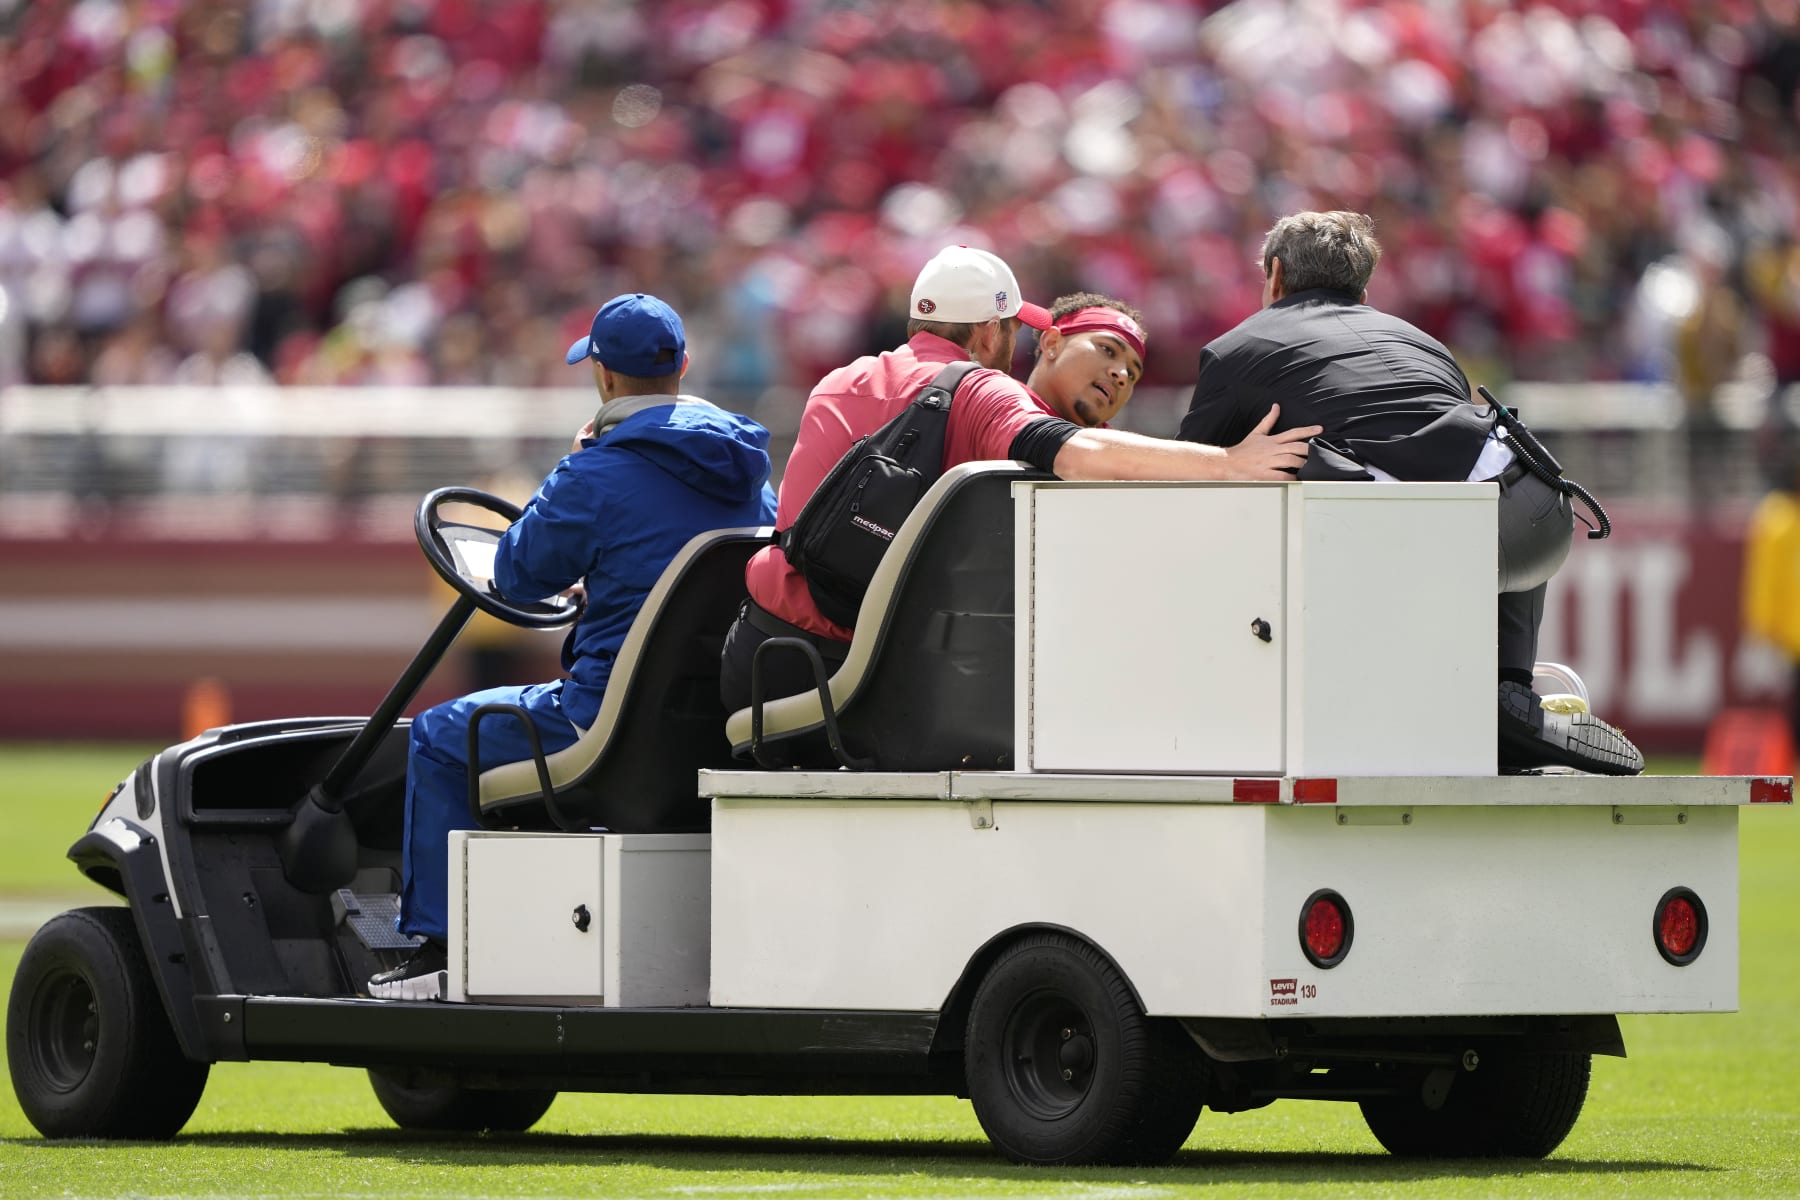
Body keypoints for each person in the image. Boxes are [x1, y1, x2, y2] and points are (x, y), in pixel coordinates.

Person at [371, 293, 779, 1000]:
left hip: (606, 723)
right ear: (682, 365)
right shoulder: (753, 479)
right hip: (716, 722)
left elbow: (517, 575)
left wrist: (569, 474)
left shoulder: (593, 472)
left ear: (605, 379)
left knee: (441, 737)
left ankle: (438, 949)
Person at [718, 244, 1318, 713]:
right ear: (987, 332)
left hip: (756, 654)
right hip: (856, 674)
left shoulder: (838, 379)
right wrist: (1230, 464)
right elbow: (1075, 451)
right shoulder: (978, 388)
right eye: (1012, 331)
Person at [1177, 210, 1642, 777]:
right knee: (1476, 473)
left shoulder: (1236, 349)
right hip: (1541, 520)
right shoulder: (1426, 344)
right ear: (1364, 287)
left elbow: (1190, 480)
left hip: (1412, 540)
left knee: (1289, 466)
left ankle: (1361, 701)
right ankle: (1508, 690)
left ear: (1274, 275)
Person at [1023, 291, 1148, 430]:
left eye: (1131, 374)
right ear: (1052, 343)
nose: (1123, 375)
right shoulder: (998, 402)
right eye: (1107, 349)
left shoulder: (1117, 449)